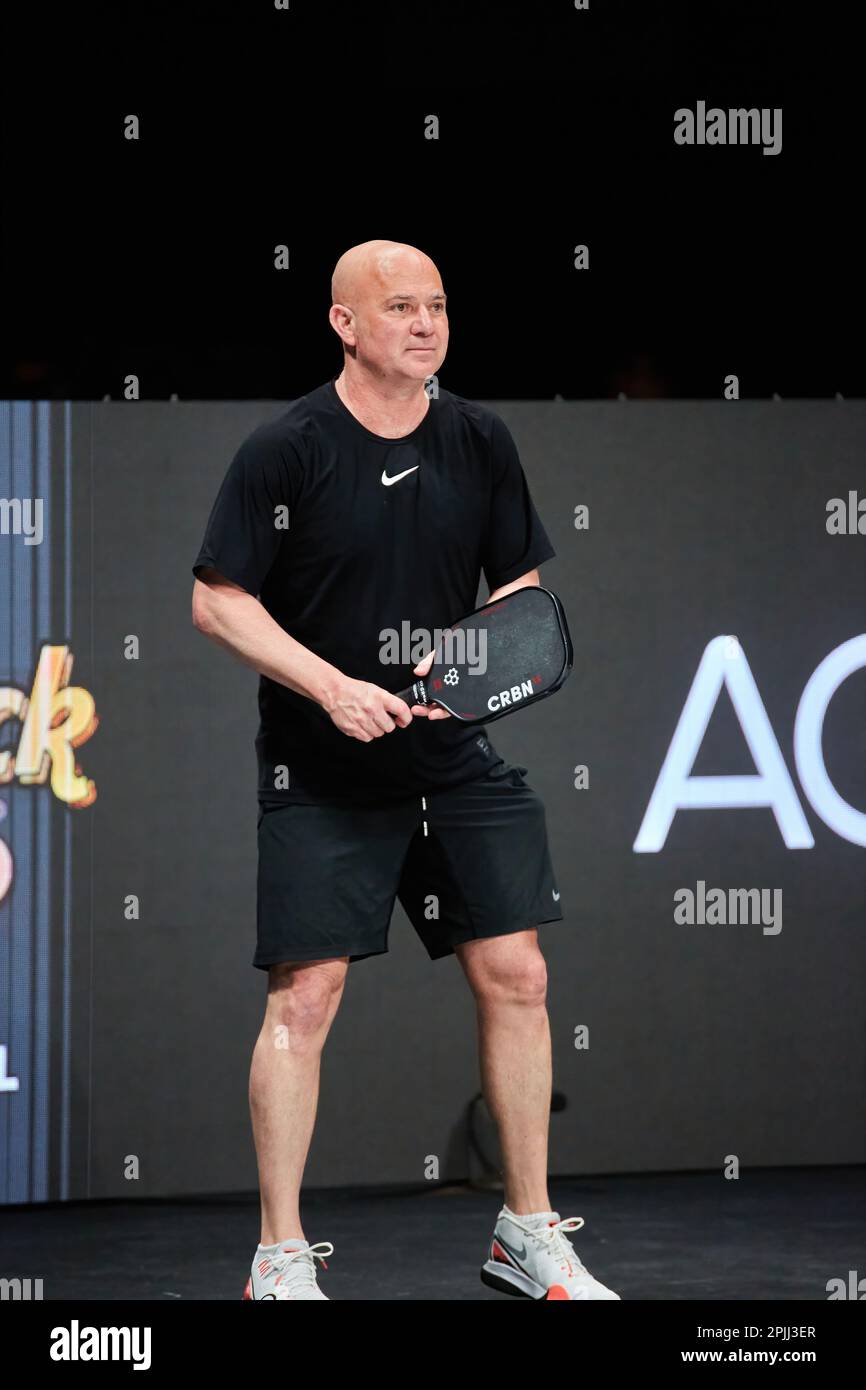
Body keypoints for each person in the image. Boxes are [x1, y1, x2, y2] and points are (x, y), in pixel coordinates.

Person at [191, 239, 619, 1301]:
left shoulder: (479, 437)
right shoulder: (286, 449)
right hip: (321, 771)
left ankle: (525, 1233)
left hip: (453, 758)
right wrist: (331, 686)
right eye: (398, 307)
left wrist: (463, 661)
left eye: (435, 305)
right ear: (343, 324)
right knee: (306, 998)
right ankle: (279, 1256)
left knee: (518, 973)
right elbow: (216, 599)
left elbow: (516, 596)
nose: (424, 324)